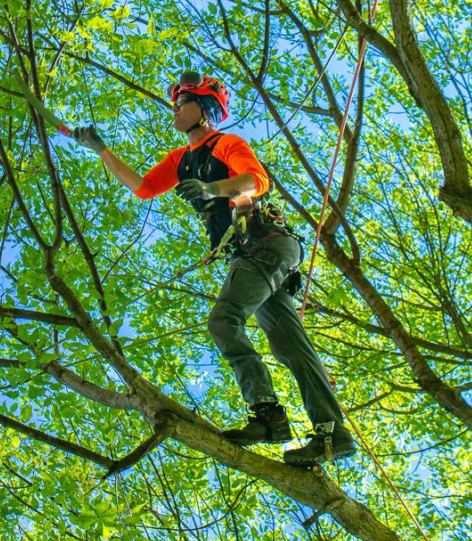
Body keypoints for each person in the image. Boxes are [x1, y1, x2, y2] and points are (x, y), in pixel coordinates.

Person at [72, 71, 355, 465]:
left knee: (224, 320)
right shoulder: (181, 160)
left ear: (204, 109)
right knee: (290, 346)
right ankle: (332, 434)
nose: (175, 109)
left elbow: (257, 181)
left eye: (183, 102)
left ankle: (267, 414)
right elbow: (144, 187)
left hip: (266, 246)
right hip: (254, 258)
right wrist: (100, 149)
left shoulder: (226, 144)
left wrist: (212, 189)